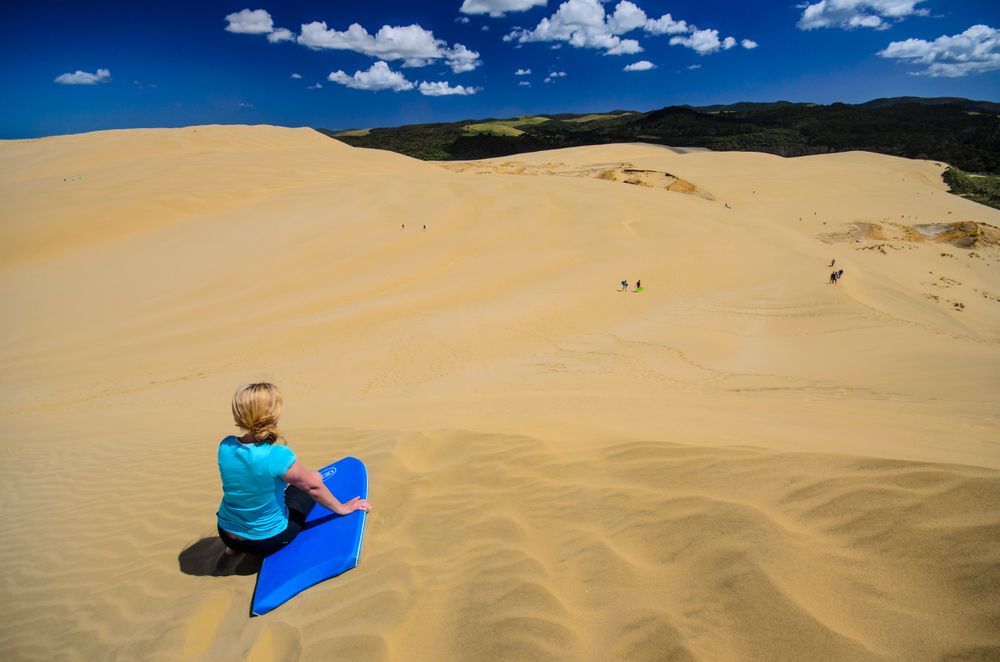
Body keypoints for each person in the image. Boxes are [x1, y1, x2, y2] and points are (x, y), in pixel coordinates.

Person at [216, 383, 371, 557]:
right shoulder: (276, 455)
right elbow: (312, 488)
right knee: (315, 477)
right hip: (267, 541)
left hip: (225, 534)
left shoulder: (226, 445)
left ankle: (234, 549)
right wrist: (343, 508)